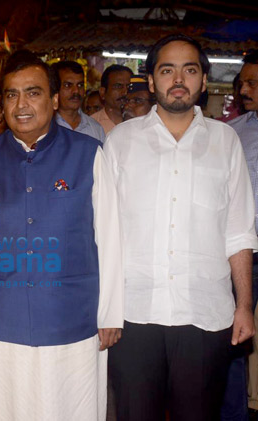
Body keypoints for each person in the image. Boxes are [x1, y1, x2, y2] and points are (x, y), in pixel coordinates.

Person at [104, 34, 258, 421]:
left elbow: (239, 229)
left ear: (203, 81)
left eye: (189, 70)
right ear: (152, 81)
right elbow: (104, 233)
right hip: (134, 315)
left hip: (205, 315)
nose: (178, 79)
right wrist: (105, 309)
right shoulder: (121, 142)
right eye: (166, 69)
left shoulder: (226, 142)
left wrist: (244, 306)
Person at [0, 49, 123, 420]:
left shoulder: (89, 153)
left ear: (54, 100)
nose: (21, 104)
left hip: (72, 318)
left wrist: (111, 314)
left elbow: (111, 236)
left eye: (33, 92)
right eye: (11, 94)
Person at [228, 50, 258, 418]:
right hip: (241, 254)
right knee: (234, 339)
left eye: (252, 83)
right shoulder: (231, 134)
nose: (243, 89)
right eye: (241, 83)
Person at [53, 60, 105, 142]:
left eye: (80, 85)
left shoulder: (95, 129)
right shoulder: (45, 127)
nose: (76, 91)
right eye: (68, 85)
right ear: (55, 89)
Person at [91, 65, 132, 133]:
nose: (125, 92)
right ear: (103, 92)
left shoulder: (142, 123)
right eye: (118, 86)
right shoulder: (91, 125)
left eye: (129, 86)